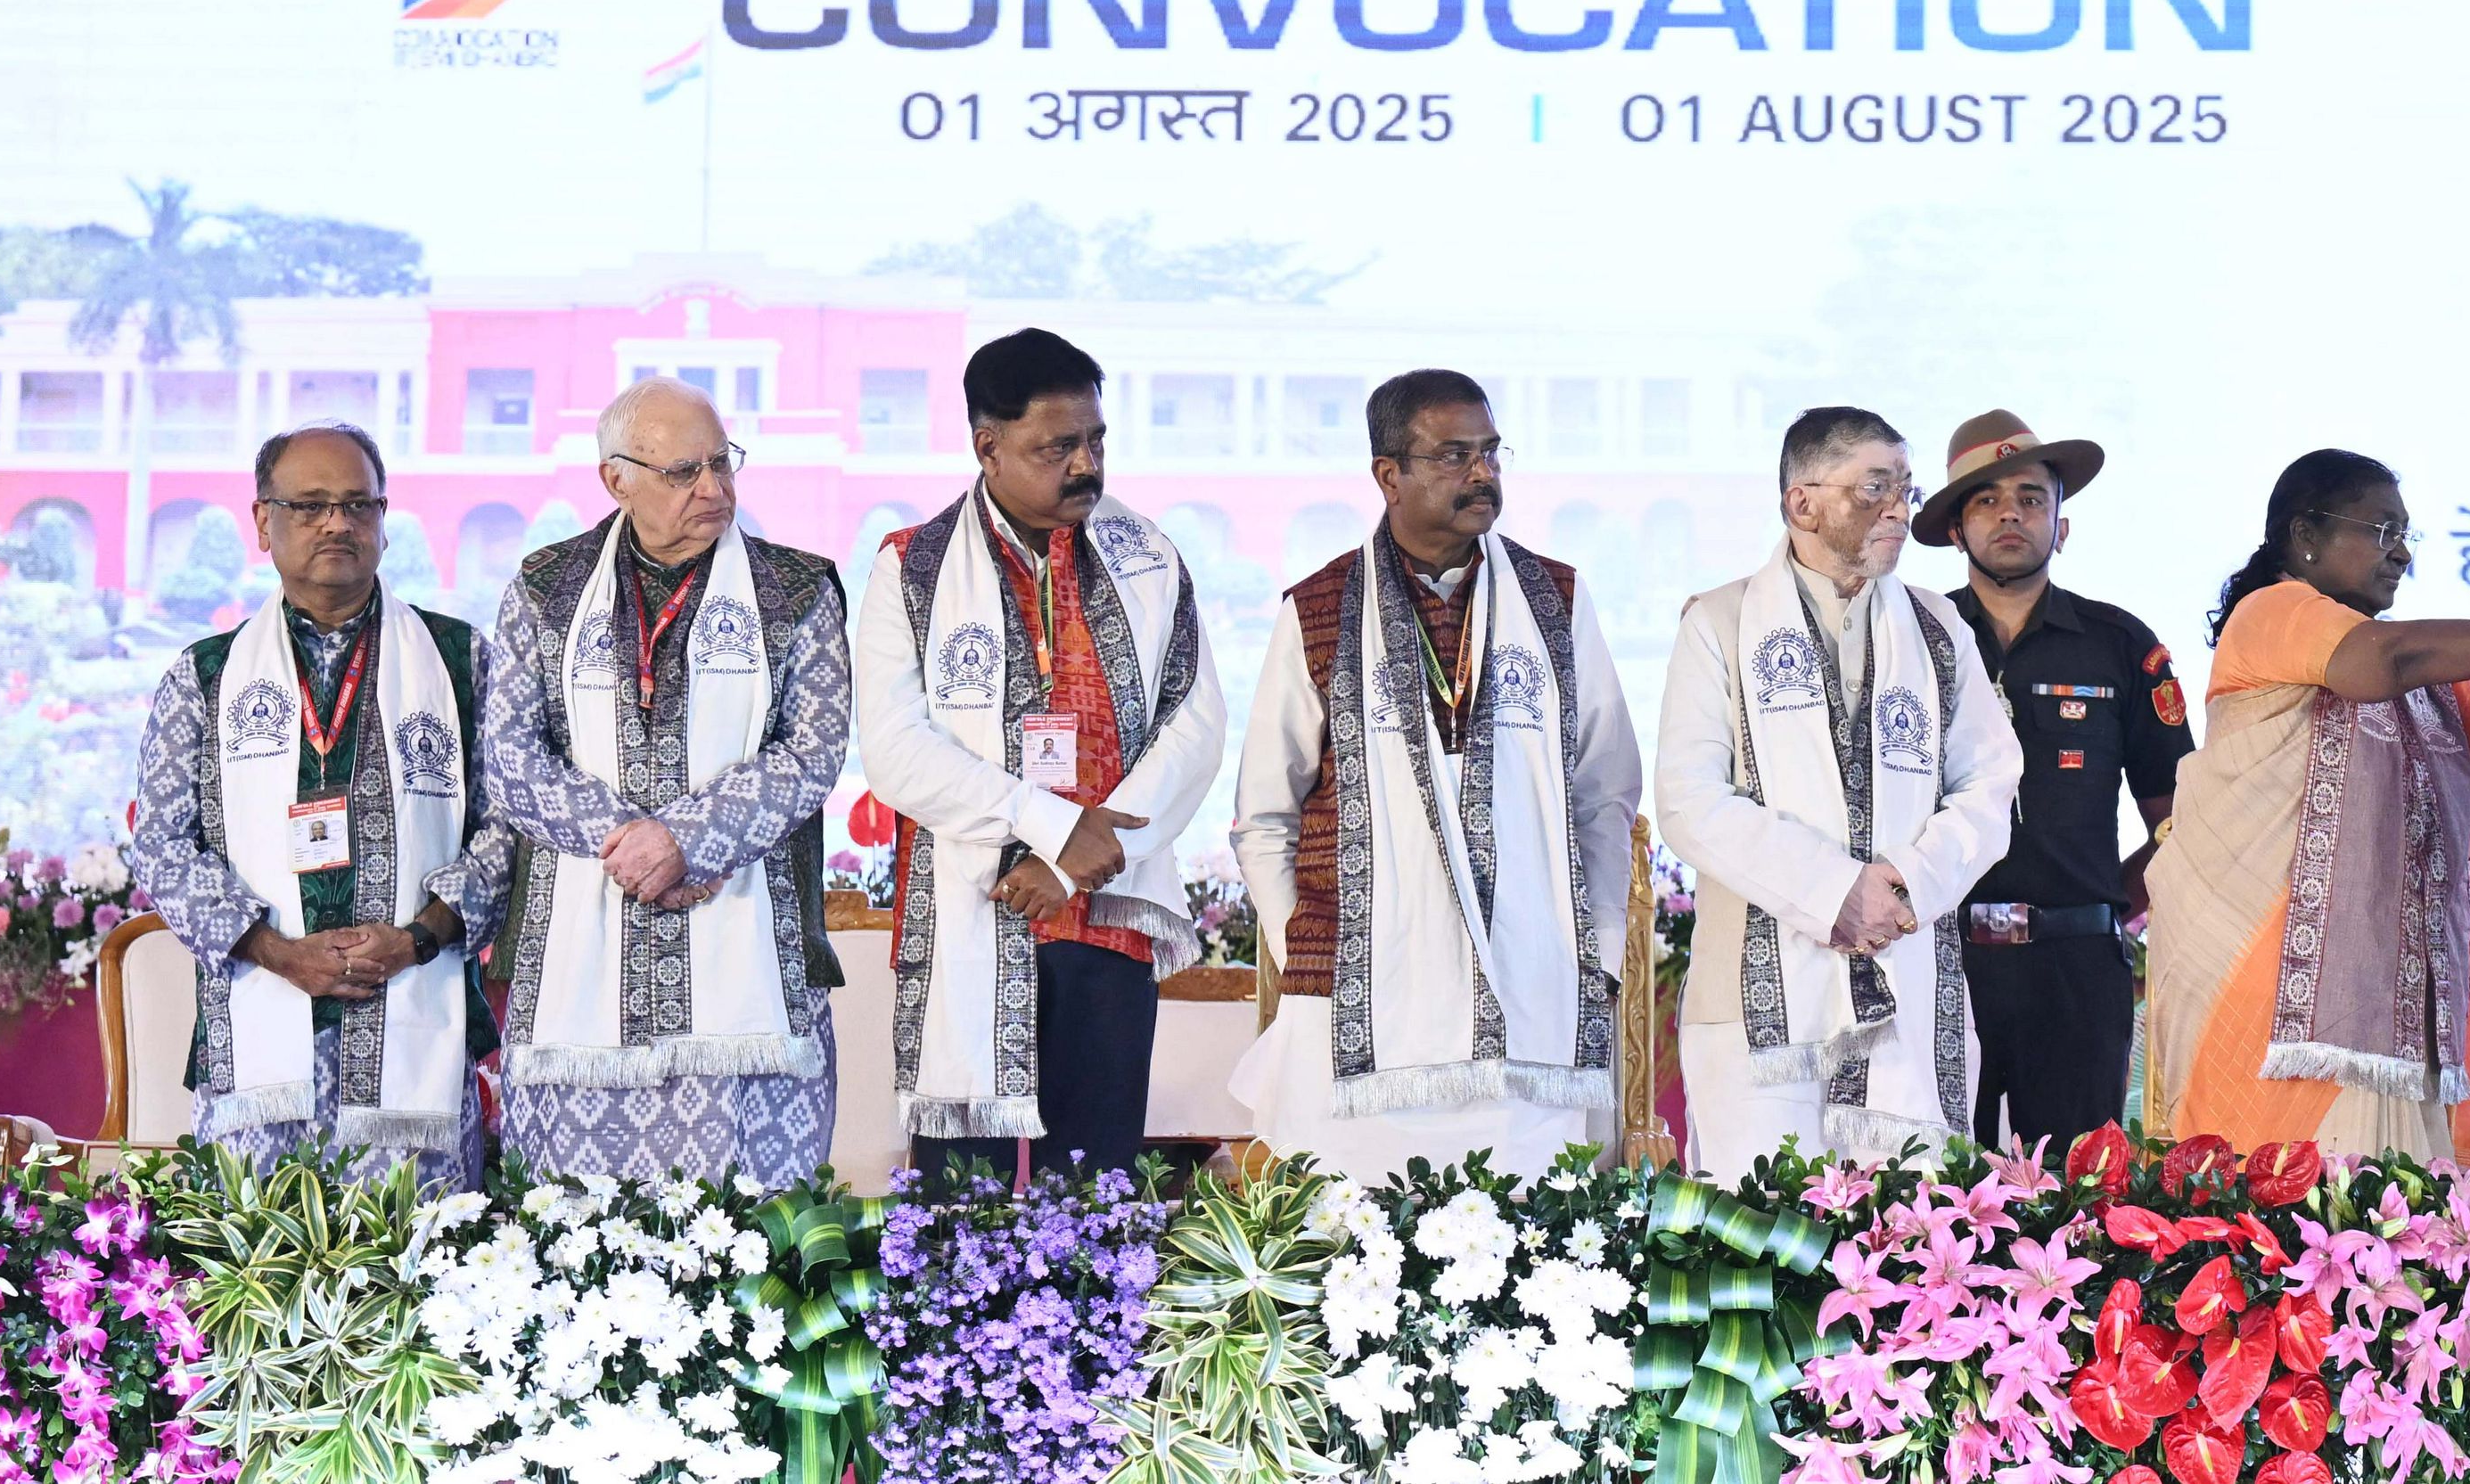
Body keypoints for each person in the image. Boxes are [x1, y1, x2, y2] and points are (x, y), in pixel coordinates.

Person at [2142, 448, 2470, 1158]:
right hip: (2273, 985)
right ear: (2305, 535)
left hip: (2381, 992)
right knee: (2285, 1200)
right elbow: (2383, 662)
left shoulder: (2413, 670)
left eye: (2406, 535)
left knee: (2385, 1213)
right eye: (2382, 531)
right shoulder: (2275, 613)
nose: (2401, 553)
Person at [1232, 369, 1643, 1182]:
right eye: (1454, 456)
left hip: (1530, 995)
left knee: (1527, 1230)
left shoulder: (1556, 599)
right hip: (1357, 1004)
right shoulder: (1318, 607)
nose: (1483, 473)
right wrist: (1313, 949)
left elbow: (1606, 790)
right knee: (1353, 1235)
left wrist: (1591, 948)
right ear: (1389, 474)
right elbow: (1266, 814)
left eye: (1491, 452)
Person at [854, 327, 1226, 1175]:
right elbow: (896, 751)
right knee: (961, 1200)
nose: (1086, 464)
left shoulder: (1149, 559)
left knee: (1094, 1191)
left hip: (1107, 906)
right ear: (988, 447)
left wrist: (1074, 860)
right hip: (970, 904)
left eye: (1096, 439)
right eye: (1056, 448)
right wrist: (1051, 826)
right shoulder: (912, 569)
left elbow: (1195, 725)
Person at [480, 376, 850, 1185]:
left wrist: (686, 839)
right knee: (571, 1232)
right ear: (616, 479)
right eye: (684, 471)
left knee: (750, 1230)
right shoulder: (545, 586)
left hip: (752, 961)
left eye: (722, 463)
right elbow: (509, 755)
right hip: (574, 977)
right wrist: (633, 846)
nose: (713, 489)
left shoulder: (797, 589)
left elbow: (813, 750)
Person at [130, 422, 508, 1185]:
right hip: (259, 1047)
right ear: (262, 520)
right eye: (309, 506)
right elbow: (162, 847)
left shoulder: (460, 662)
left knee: (424, 1252)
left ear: (383, 519)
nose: (337, 523)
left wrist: (419, 937)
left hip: (416, 1028)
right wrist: (277, 951)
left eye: (357, 504)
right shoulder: (204, 677)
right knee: (258, 1249)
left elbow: (509, 826)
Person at [1657, 405, 2023, 1177]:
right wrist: (1831, 891)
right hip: (1759, 1002)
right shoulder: (1720, 623)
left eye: (1905, 490)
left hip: (1906, 974)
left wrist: (1904, 884)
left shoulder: (1937, 630)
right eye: (1874, 488)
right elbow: (1689, 799)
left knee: (1909, 1231)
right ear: (1803, 504)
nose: (1900, 510)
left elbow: (1991, 786)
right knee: (1762, 1225)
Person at [1916, 408, 2190, 1155]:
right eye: (1987, 500)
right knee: (1930, 1185)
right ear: (1955, 530)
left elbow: (2180, 824)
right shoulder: (1912, 640)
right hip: (1940, 960)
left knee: (2079, 1190)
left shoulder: (2119, 645)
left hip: (2076, 970)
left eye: (2031, 498)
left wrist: (2099, 907)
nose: (2011, 514)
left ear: (2061, 527)